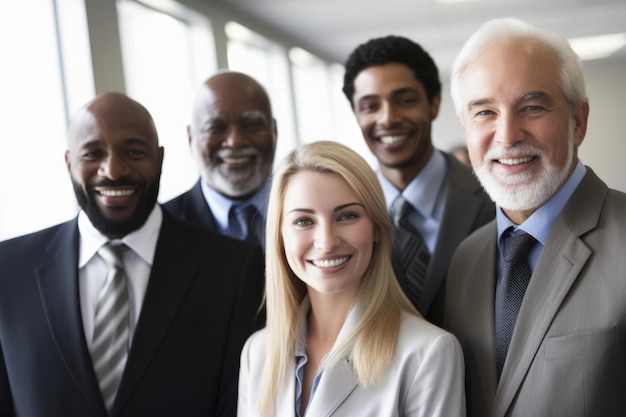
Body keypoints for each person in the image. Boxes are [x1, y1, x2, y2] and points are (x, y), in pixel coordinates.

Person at [0, 92, 265, 416]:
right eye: (93, 153)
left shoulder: (235, 268)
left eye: (133, 151)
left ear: (160, 158)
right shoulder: (9, 269)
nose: (112, 170)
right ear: (70, 163)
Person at [444, 18, 626, 417]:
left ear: (577, 122)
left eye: (531, 107)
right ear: (465, 127)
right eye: (485, 112)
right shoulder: (466, 259)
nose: (507, 135)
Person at [238, 140, 465, 417]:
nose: (327, 242)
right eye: (303, 221)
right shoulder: (257, 353)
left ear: (377, 228)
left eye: (347, 216)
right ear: (280, 237)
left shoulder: (427, 353)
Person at [342, 35, 494, 325]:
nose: (388, 118)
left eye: (405, 100)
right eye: (370, 106)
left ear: (434, 104)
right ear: (356, 114)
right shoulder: (342, 213)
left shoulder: (493, 197)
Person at [164, 71, 277, 248]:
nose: (236, 141)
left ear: (274, 131)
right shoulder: (161, 228)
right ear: (191, 138)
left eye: (252, 125)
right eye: (216, 128)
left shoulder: (313, 210)